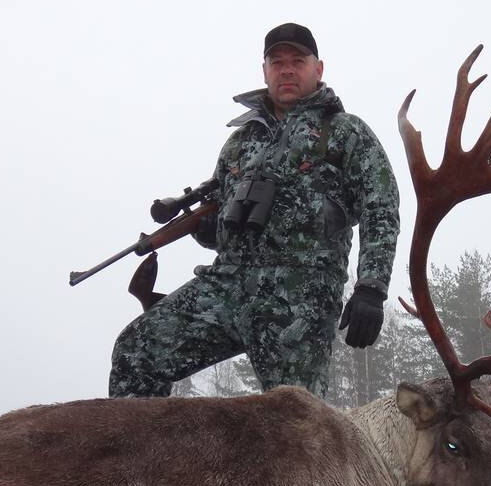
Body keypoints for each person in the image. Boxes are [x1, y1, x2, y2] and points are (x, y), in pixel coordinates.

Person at [109, 23, 400, 398]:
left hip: (300, 295)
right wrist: (206, 229)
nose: (287, 69)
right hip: (227, 284)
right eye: (277, 62)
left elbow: (381, 207)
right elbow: (228, 228)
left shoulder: (346, 132)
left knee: (293, 417)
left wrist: (371, 288)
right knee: (136, 351)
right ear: (265, 71)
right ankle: (143, 457)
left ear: (319, 68)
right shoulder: (239, 142)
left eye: (298, 60)